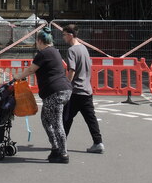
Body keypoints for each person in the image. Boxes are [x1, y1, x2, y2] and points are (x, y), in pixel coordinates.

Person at [13, 26, 72, 163]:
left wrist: (17, 77)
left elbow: (30, 70)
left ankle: (63, 154)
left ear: (39, 41)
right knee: (46, 120)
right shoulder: (55, 51)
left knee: (56, 123)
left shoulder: (43, 53)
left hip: (55, 92)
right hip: (62, 90)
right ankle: (55, 148)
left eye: (37, 42)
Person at [62, 24, 104, 153]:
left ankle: (60, 143)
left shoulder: (71, 51)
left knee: (66, 118)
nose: (63, 38)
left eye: (64, 35)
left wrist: (67, 86)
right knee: (90, 118)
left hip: (75, 90)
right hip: (86, 89)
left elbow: (72, 70)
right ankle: (98, 142)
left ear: (70, 35)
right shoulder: (84, 48)